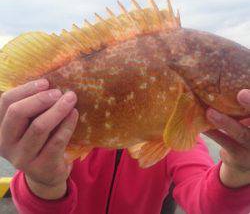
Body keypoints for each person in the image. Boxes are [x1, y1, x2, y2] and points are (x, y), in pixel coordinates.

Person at [0, 79, 249, 214]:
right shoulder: (60, 130)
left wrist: (239, 171)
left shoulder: (178, 134)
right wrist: (44, 182)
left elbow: (204, 203)